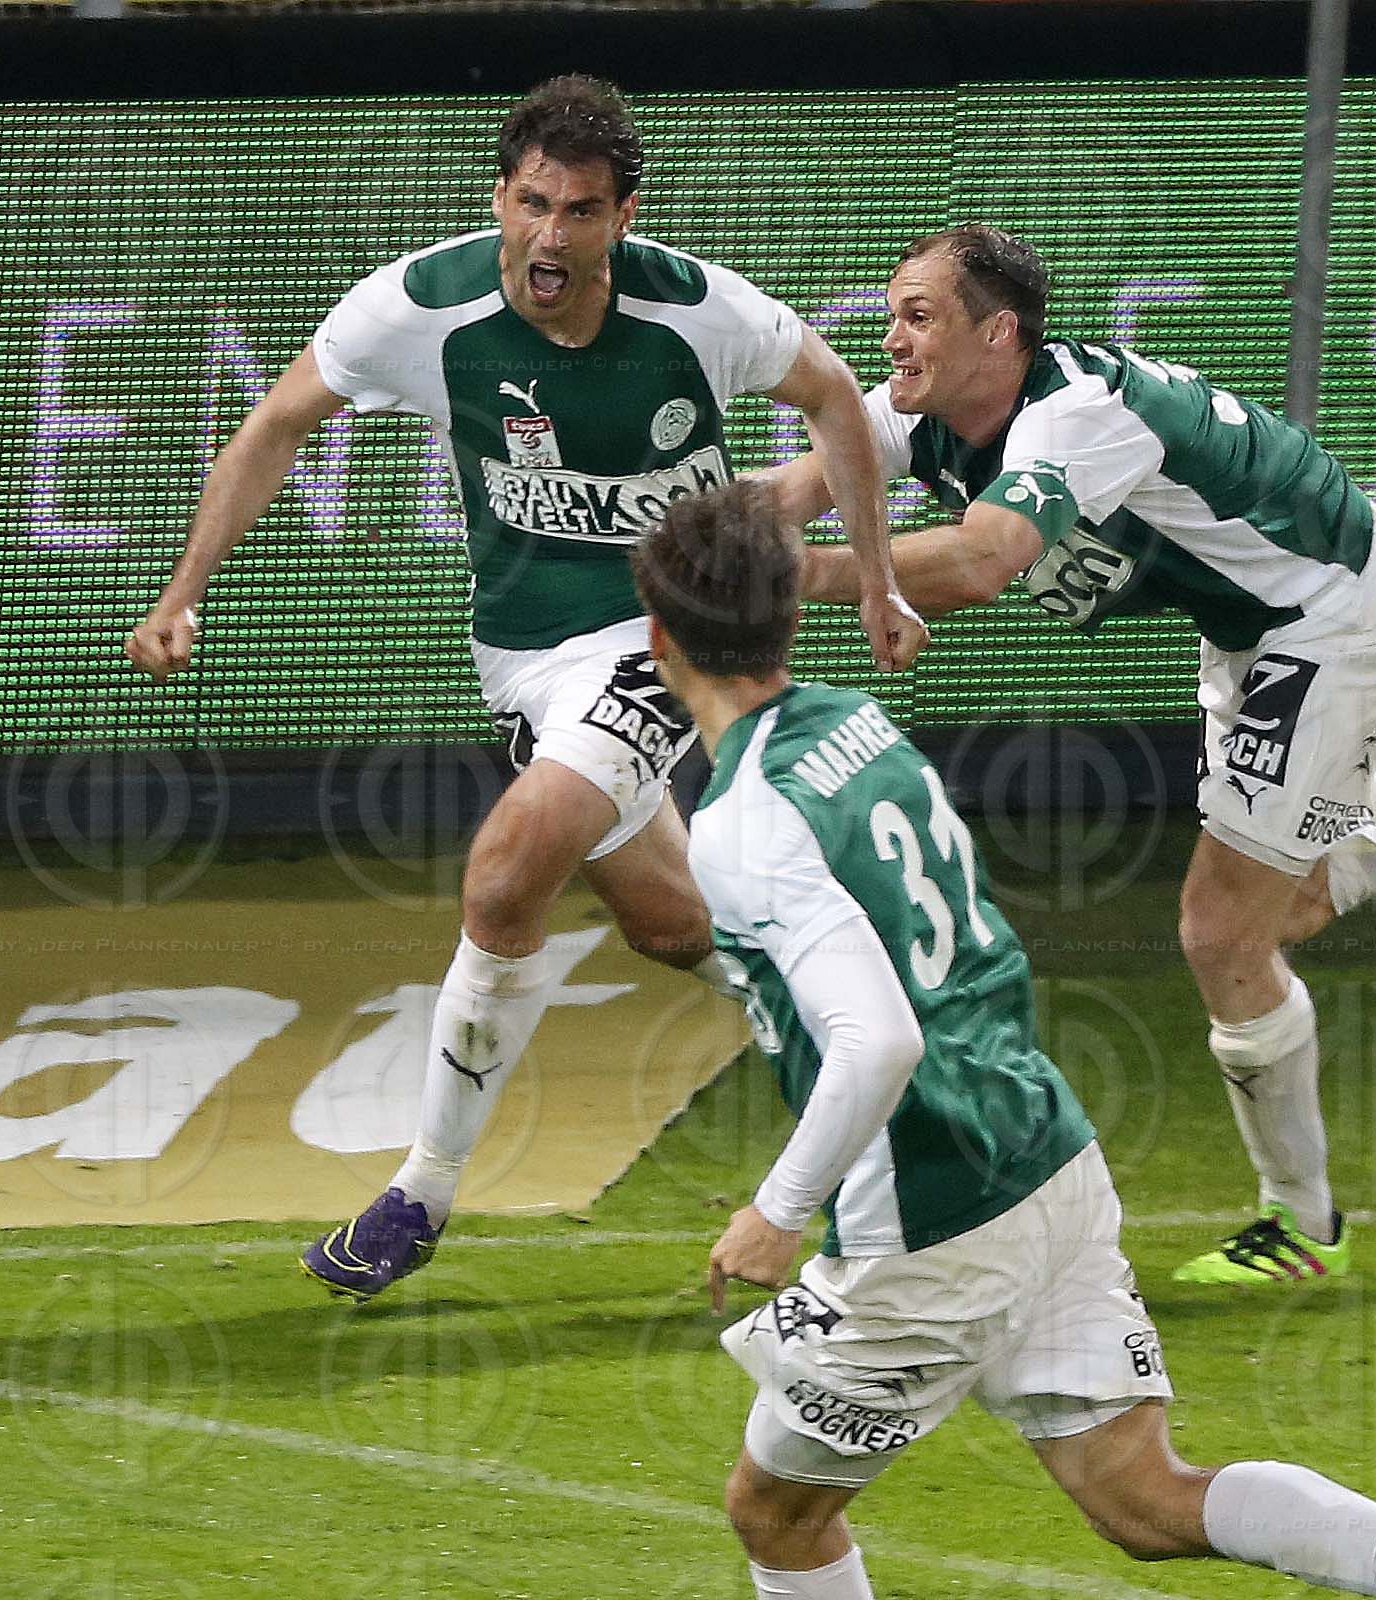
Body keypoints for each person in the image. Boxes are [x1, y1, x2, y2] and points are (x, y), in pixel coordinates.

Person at [629, 480, 1376, 1600]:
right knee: (1144, 1497)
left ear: (660, 639)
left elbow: (877, 1036)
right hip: (1047, 1156)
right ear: (792, 615)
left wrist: (776, 1209)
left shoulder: (741, 820)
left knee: (774, 1510)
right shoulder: (856, 728)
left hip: (931, 1223)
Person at [123, 76, 925, 1300]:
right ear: (499, 195)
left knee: (507, 873)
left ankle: (420, 1188)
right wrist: (183, 593)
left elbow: (832, 401)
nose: (550, 234)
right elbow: (276, 424)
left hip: (663, 630)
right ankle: (886, 1046)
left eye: (580, 211)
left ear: (622, 216)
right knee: (672, 928)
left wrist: (873, 580)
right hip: (520, 657)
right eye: (532, 203)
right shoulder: (416, 306)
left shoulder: (697, 309)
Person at [767, 226, 1376, 1289]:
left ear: (998, 333)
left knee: (1223, 929)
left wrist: (793, 578)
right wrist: (666, 541)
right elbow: (785, 493)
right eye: (891, 315)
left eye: (918, 316)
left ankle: (1305, 1224)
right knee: (1286, 900)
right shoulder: (926, 408)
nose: (892, 339)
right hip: (1258, 626)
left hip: (1336, 611)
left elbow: (979, 561)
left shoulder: (1073, 415)